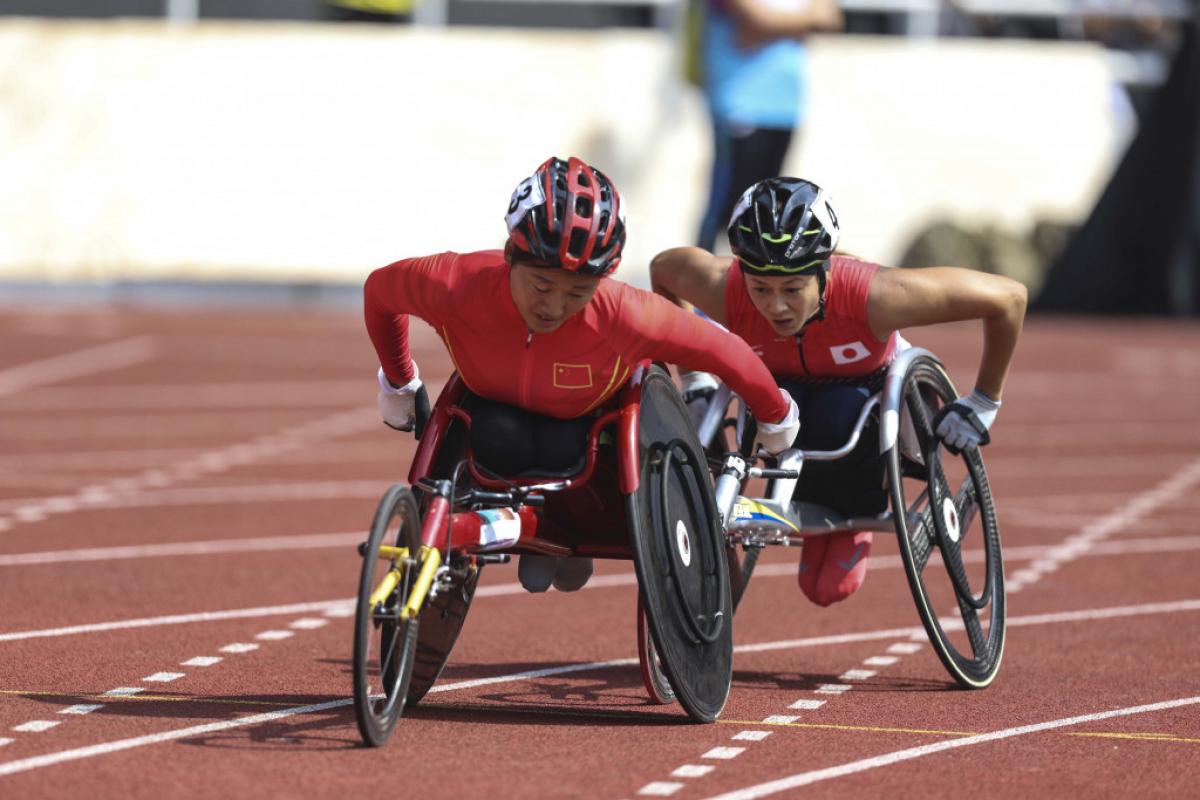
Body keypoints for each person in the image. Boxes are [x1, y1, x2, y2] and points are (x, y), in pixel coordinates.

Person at [363, 156, 801, 594]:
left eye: (577, 292)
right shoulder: (456, 283)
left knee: (562, 456)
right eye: (541, 285)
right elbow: (380, 293)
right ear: (511, 255)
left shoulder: (626, 315)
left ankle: (568, 530)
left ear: (603, 279)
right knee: (499, 435)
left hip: (592, 449)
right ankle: (539, 532)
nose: (553, 306)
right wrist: (400, 381)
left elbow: (725, 350)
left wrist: (775, 413)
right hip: (494, 431)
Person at [651, 177, 1027, 606]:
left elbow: (1009, 298)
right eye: (761, 289)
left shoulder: (874, 295)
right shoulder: (726, 288)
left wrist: (984, 400)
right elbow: (663, 271)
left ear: (824, 272)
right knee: (818, 584)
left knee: (826, 584)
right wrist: (695, 379)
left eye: (793, 289)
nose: (775, 306)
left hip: (860, 414)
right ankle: (807, 501)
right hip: (781, 411)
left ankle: (852, 515)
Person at [692, 0, 843, 251]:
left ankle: (753, 282)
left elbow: (831, 18)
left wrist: (774, 25)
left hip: (785, 107)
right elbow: (757, 22)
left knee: (769, 210)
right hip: (740, 106)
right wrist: (805, 20)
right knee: (728, 206)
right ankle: (699, 281)